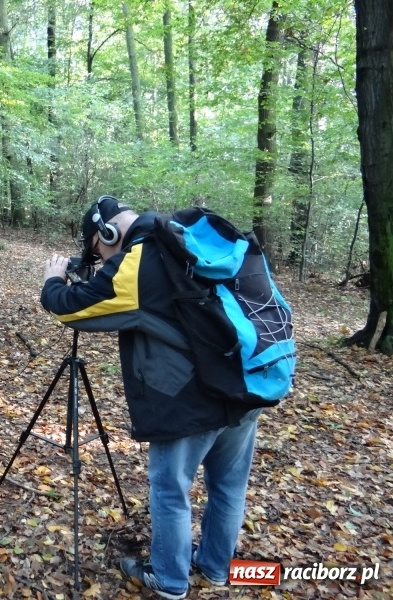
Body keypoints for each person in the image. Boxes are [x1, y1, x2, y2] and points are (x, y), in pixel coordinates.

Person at [40, 196, 262, 600]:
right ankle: (215, 567)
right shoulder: (188, 241)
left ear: (107, 234)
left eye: (98, 250)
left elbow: (72, 308)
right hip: (243, 384)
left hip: (187, 399)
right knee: (229, 486)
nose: (102, 260)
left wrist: (53, 279)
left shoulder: (140, 260)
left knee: (170, 490)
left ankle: (170, 580)